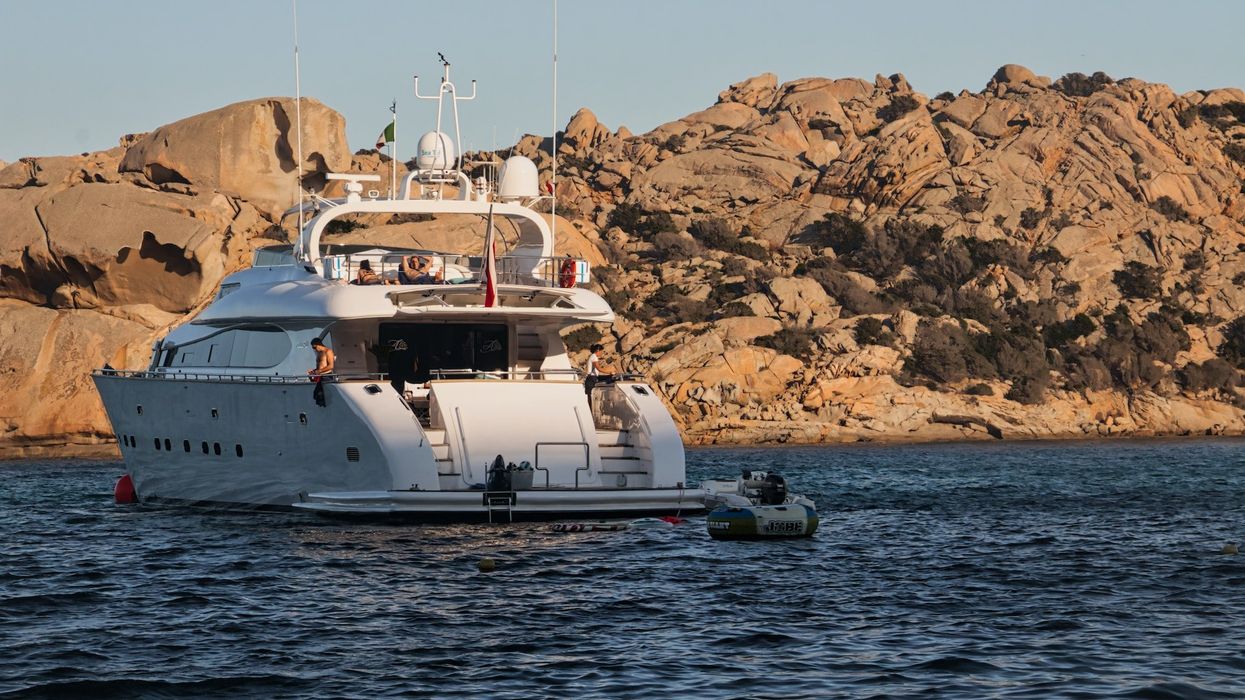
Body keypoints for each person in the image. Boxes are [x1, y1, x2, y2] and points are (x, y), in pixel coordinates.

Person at [583, 343, 617, 409]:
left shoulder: (593, 356)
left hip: (592, 378)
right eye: (601, 351)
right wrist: (610, 372)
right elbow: (599, 369)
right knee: (590, 399)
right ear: (598, 350)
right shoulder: (594, 357)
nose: (601, 353)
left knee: (590, 399)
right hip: (591, 379)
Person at [308, 337, 336, 407]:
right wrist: (313, 371)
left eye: (314, 347)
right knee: (317, 394)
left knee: (319, 394)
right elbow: (320, 366)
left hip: (327, 376)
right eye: (313, 348)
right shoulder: (319, 353)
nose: (314, 349)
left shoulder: (328, 351)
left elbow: (331, 366)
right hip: (319, 376)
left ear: (319, 344)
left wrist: (319, 371)